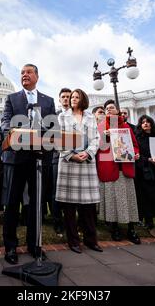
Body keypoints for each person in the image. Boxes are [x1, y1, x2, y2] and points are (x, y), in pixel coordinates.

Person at [1, 63, 56, 264]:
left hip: (40, 159)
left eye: (29, 72)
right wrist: (15, 133)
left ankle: (35, 245)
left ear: (37, 76)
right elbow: (6, 122)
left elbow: (53, 128)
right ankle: (10, 247)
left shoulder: (48, 101)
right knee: (13, 202)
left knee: (37, 204)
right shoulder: (12, 98)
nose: (24, 75)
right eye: (22, 72)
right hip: (17, 157)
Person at [56, 88, 103, 253]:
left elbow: (96, 138)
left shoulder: (90, 117)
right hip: (69, 164)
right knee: (69, 207)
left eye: (76, 97)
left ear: (83, 99)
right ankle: (73, 241)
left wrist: (89, 152)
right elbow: (58, 138)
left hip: (86, 164)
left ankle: (91, 240)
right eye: (72, 97)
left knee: (88, 206)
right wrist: (71, 155)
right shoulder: (62, 116)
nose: (73, 99)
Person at [97, 100, 141, 244]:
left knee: (129, 199)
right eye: (107, 108)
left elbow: (134, 145)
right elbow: (98, 148)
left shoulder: (126, 126)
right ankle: (114, 227)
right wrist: (105, 136)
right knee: (112, 199)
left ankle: (131, 228)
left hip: (125, 167)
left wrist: (136, 153)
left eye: (112, 108)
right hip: (109, 167)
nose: (109, 110)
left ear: (117, 110)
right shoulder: (101, 126)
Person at [50, 88, 72, 236]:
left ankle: (70, 221)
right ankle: (57, 221)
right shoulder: (53, 117)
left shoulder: (78, 116)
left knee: (72, 191)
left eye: (68, 97)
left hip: (75, 158)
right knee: (56, 191)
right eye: (63, 97)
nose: (65, 99)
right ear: (59, 100)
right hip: (57, 157)